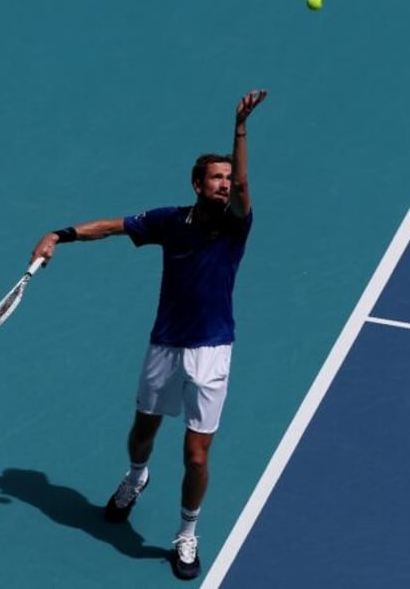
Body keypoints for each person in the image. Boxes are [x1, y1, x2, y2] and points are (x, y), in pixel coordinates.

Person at [29, 89, 267, 580]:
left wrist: (239, 127)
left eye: (228, 178)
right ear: (197, 184)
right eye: (216, 178)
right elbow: (113, 227)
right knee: (143, 433)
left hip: (211, 353)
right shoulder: (168, 221)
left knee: (196, 454)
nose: (226, 185)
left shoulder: (235, 226)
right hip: (164, 346)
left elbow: (245, 184)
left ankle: (187, 533)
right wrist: (59, 235)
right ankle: (137, 478)